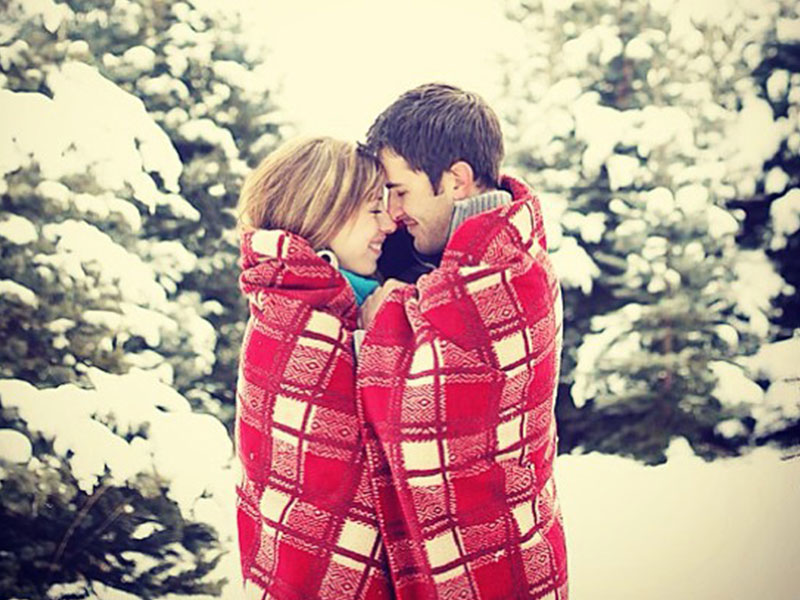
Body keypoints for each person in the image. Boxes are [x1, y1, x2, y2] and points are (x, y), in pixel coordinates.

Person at [357, 83, 569, 599]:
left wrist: (383, 315)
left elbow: (432, 417)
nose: (393, 211)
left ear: (456, 180)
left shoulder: (510, 273)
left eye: (400, 191)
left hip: (499, 565)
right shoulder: (436, 267)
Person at [234, 136, 397, 599]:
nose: (387, 222)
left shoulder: (317, 306)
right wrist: (377, 335)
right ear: (323, 213)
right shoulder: (298, 321)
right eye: (372, 209)